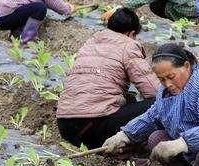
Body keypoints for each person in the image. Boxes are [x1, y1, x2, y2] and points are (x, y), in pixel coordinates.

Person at [56, 8, 159, 149]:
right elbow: (154, 91)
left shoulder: (90, 43)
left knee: (129, 98)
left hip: (66, 127)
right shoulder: (128, 46)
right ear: (131, 33)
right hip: (93, 128)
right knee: (159, 104)